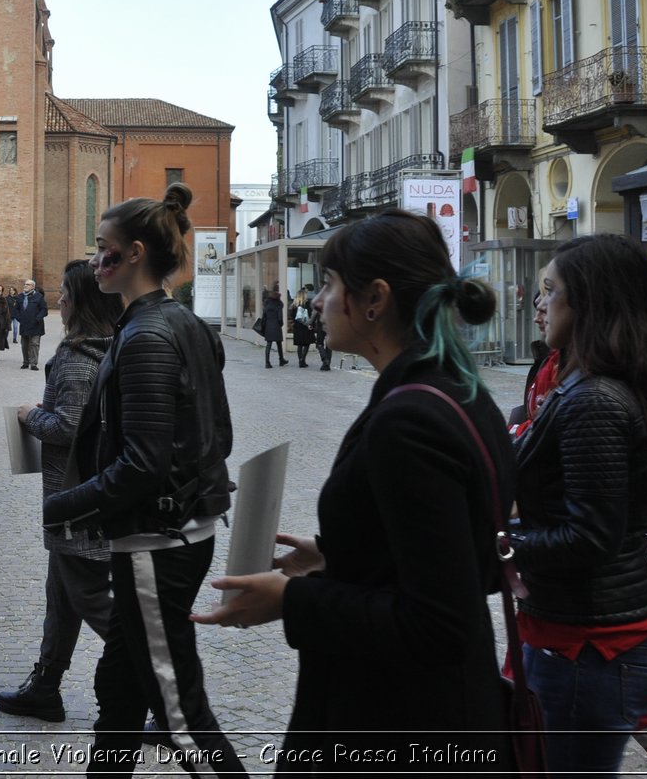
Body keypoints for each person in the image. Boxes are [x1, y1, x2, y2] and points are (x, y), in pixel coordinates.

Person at [195, 209, 513, 770]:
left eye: (331, 283)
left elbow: (440, 622)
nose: (317, 301)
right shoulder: (456, 390)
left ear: (375, 299)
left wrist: (292, 599)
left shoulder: (410, 418)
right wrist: (343, 556)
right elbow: (467, 555)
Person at [43, 184, 243, 776]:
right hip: (168, 532)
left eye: (101, 249)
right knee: (120, 687)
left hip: (158, 540)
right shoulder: (176, 323)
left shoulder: (149, 336)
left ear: (132, 254)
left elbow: (145, 462)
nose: (92, 260)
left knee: (179, 712)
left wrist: (64, 506)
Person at [508, 234, 647, 776]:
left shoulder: (594, 399)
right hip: (582, 634)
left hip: (593, 646)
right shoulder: (585, 383)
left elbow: (589, 538)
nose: (540, 304)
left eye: (551, 291)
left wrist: (496, 541)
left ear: (588, 302)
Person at [0, 259, 119, 722]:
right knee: (63, 593)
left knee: (89, 595)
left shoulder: (78, 358)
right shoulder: (110, 346)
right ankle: (46, 683)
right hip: (83, 494)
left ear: (81, 303)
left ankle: (167, 685)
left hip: (78, 496)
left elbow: (68, 426)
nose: (61, 301)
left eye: (66, 294)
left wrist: (30, 416)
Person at [12, 278, 48, 370]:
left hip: (36, 325)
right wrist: (20, 319)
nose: (25, 285)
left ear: (33, 287)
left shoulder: (38, 297)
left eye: (27, 284)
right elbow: (16, 310)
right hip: (24, 325)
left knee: (34, 344)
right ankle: (26, 362)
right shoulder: (20, 297)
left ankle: (33, 363)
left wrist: (38, 318)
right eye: (25, 284)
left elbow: (44, 310)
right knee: (25, 345)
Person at [259, 287, 285, 368]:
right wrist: (281, 324)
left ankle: (267, 362)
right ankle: (281, 360)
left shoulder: (267, 305)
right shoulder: (278, 305)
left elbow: (264, 317)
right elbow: (280, 318)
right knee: (279, 344)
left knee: (268, 345)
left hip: (268, 326)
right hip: (276, 326)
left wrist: (264, 325)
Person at [289, 287, 314, 368]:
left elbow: (292, 316)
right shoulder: (307, 304)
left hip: (297, 327)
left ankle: (300, 360)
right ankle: (302, 360)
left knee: (300, 345)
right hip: (305, 327)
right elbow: (310, 315)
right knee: (306, 344)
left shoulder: (294, 305)